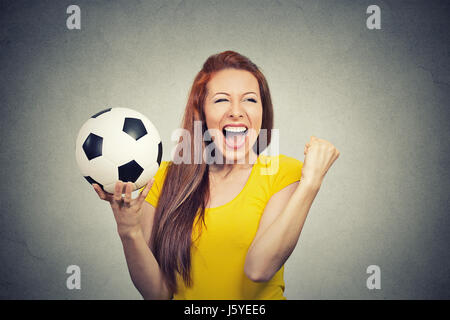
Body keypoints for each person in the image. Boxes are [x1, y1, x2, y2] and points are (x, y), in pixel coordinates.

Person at [93, 50, 340, 300]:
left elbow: (259, 268)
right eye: (222, 100)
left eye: (250, 100)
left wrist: (310, 184)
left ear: (262, 113)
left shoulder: (283, 173)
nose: (236, 111)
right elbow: (158, 294)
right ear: (200, 112)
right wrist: (128, 231)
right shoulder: (163, 178)